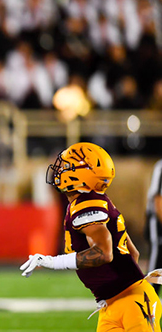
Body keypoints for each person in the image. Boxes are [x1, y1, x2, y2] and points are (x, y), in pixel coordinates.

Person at [20, 142, 161, 331]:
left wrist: (51, 262)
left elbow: (103, 253)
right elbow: (132, 253)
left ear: (82, 175)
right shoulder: (95, 202)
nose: (59, 170)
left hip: (131, 304)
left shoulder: (86, 205)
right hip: (116, 303)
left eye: (67, 166)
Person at [146, 159, 162, 294]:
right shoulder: (161, 167)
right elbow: (158, 200)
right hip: (158, 221)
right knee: (157, 257)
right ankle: (148, 301)